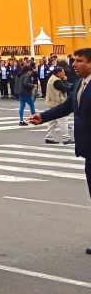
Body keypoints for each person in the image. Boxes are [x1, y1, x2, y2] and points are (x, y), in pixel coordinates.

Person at [28, 48, 91, 253]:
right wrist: (43, 117)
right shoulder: (82, 84)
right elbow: (68, 107)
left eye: (79, 61)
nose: (73, 65)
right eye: (74, 61)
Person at [43, 64, 71, 145]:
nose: (64, 73)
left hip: (51, 101)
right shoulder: (56, 81)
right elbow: (64, 88)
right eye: (63, 72)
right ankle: (66, 138)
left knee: (53, 121)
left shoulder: (52, 78)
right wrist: (65, 81)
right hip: (56, 102)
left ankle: (49, 137)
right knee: (63, 120)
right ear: (58, 73)